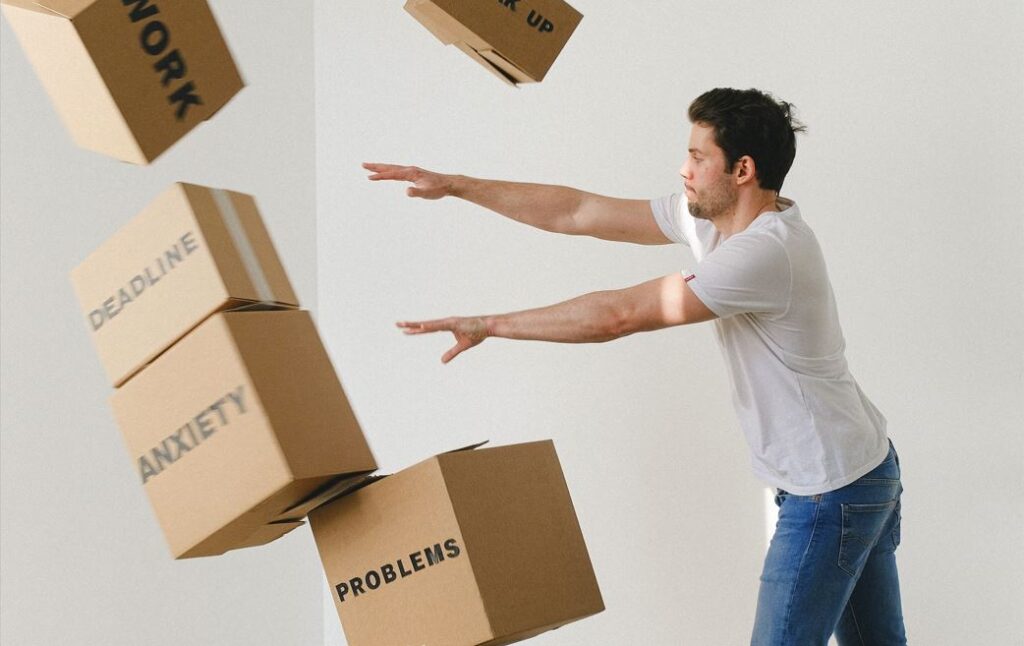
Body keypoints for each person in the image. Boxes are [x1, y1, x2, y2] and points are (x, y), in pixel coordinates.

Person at [364, 87, 907, 645]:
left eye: (698, 158)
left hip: (830, 490)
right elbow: (577, 211)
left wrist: (490, 324)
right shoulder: (716, 223)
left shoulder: (765, 252)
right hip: (858, 468)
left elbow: (618, 315)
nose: (683, 169)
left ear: (742, 170)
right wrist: (456, 185)